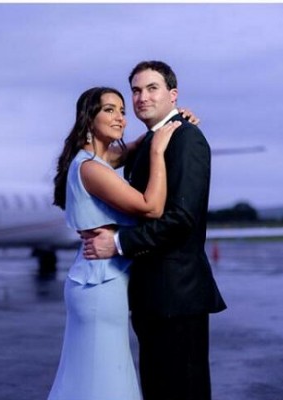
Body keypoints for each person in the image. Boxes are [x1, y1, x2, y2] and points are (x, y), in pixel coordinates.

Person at [83, 61, 227, 400]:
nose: (142, 96)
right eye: (136, 90)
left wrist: (117, 242)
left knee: (182, 391)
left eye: (152, 88)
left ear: (172, 94)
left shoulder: (186, 139)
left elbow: (181, 219)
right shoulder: (150, 141)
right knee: (159, 388)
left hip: (177, 295)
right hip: (151, 294)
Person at [48, 86, 185, 400]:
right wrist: (156, 152)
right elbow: (152, 206)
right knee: (104, 380)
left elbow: (127, 150)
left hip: (95, 279)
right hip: (100, 284)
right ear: (88, 117)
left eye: (122, 111)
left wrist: (172, 120)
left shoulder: (94, 159)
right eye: (109, 110)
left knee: (93, 377)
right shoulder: (92, 169)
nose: (121, 118)